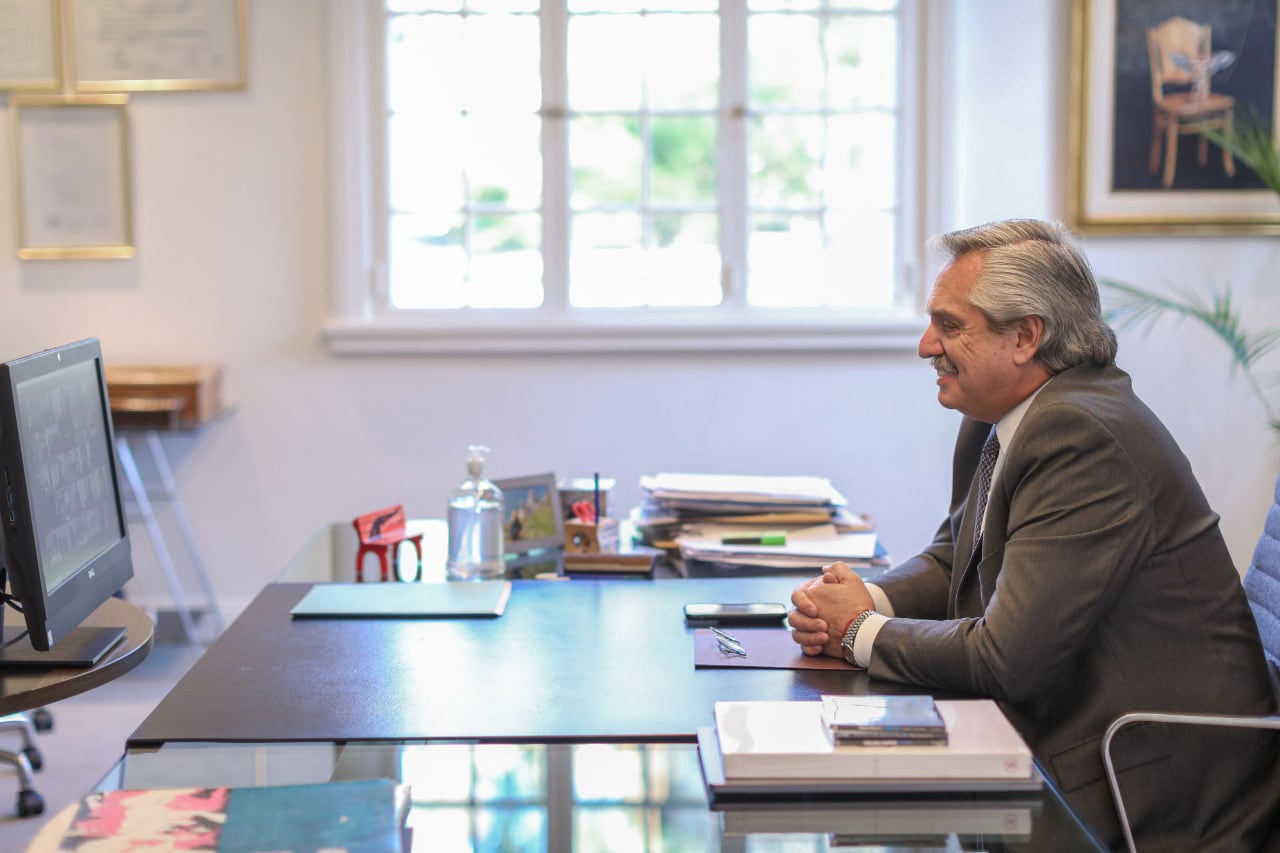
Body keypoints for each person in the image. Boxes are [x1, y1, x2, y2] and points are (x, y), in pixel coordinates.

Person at [788, 219, 1280, 850]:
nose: (925, 345)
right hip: (1068, 729)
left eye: (950, 325)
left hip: (1151, 780)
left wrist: (858, 631)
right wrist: (863, 600)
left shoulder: (1082, 434)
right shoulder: (1001, 414)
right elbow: (956, 558)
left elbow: (1006, 661)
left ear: (1025, 337)